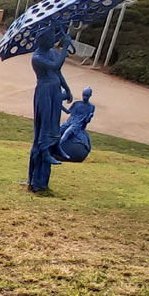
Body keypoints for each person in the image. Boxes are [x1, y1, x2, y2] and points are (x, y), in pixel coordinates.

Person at [27, 28, 73, 193]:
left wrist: (66, 88)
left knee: (54, 120)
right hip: (44, 91)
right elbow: (56, 64)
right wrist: (66, 47)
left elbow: (58, 72)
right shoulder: (37, 57)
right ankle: (44, 149)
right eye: (50, 37)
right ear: (42, 40)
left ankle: (54, 145)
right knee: (45, 121)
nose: (53, 39)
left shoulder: (52, 52)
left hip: (54, 90)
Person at [54, 87, 96, 164]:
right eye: (84, 95)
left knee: (67, 133)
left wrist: (89, 117)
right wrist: (59, 104)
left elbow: (86, 121)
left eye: (86, 96)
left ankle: (59, 148)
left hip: (77, 125)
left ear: (90, 96)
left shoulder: (91, 107)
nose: (85, 97)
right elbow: (68, 112)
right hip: (69, 122)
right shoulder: (77, 103)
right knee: (58, 130)